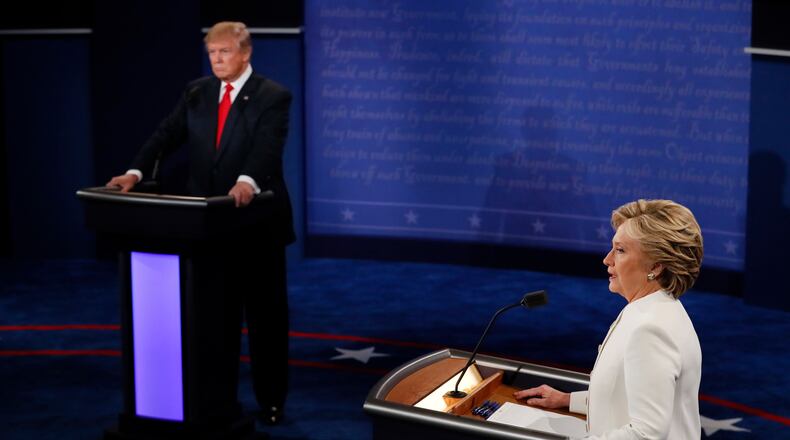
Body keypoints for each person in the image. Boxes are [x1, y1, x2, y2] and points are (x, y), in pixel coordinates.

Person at [107, 21, 293, 425]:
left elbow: (267, 149)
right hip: (207, 228)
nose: (217, 59)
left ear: (245, 53)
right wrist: (134, 173)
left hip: (257, 223)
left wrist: (246, 181)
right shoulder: (197, 92)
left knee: (265, 318)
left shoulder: (273, 96)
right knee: (216, 319)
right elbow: (165, 136)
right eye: (212, 53)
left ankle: (272, 399)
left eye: (224, 52)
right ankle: (217, 396)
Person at [515, 199, 703, 439]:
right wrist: (566, 400)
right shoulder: (654, 310)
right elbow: (626, 396)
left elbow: (646, 434)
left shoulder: (650, 329)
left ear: (655, 267)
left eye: (621, 250)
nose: (607, 259)